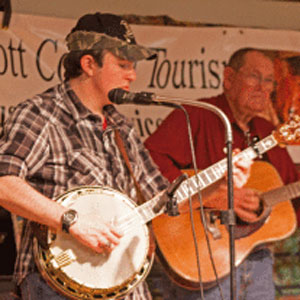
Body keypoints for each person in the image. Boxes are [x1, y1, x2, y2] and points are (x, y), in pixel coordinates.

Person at [0, 12, 172, 300]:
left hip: (124, 287)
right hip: (58, 285)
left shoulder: (122, 128)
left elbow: (163, 199)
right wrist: (72, 221)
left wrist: (218, 187)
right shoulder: (42, 115)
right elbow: (4, 182)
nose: (133, 75)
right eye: (123, 64)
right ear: (89, 64)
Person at [144, 48, 300, 300]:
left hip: (257, 260)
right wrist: (208, 197)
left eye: (269, 80)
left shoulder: (266, 130)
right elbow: (148, 163)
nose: (263, 87)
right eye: (254, 77)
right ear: (229, 78)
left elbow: (290, 192)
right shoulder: (198, 115)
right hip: (203, 256)